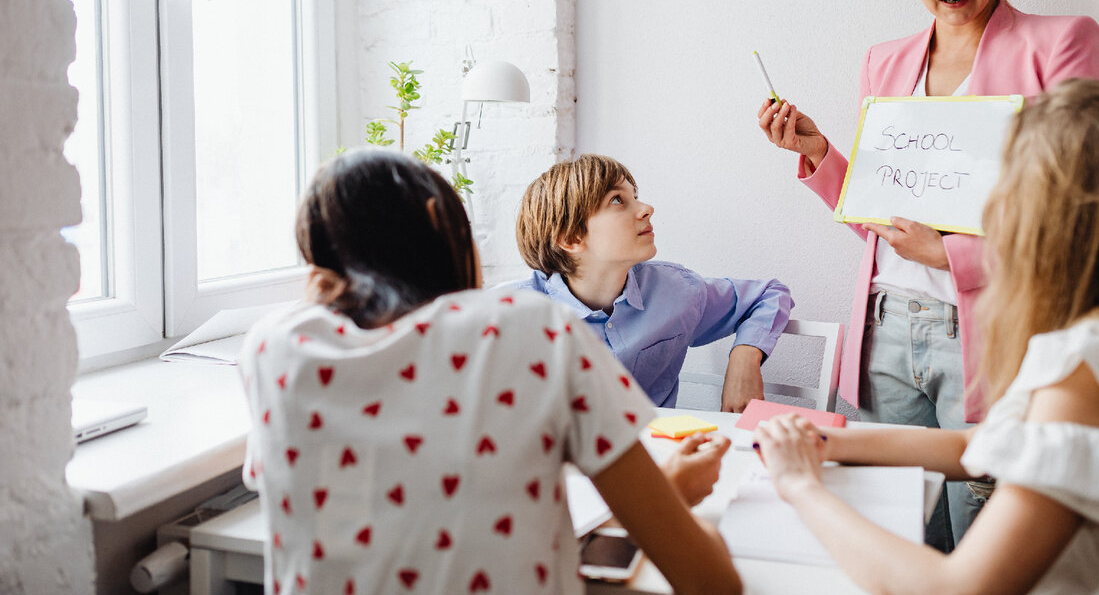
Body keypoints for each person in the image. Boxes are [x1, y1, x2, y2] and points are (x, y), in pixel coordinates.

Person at [756, 0, 1099, 547]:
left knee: (986, 531)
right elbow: (887, 218)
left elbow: (1078, 210)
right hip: (886, 326)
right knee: (901, 528)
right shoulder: (885, 62)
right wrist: (821, 152)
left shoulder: (1059, 44)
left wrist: (954, 254)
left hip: (993, 327)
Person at [754, 79, 1099, 595]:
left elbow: (956, 586)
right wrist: (827, 441)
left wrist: (800, 485)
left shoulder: (1097, 361)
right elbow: (981, 445)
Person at [239, 148, 742, 595]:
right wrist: (672, 502)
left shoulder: (274, 348)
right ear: (443, 222)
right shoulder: (534, 328)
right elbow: (707, 581)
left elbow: (433, 522)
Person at [508, 154, 793, 412]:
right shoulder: (510, 316)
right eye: (617, 200)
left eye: (636, 196)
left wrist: (744, 358)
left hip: (660, 458)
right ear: (571, 238)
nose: (647, 208)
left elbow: (768, 294)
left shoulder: (676, 290)